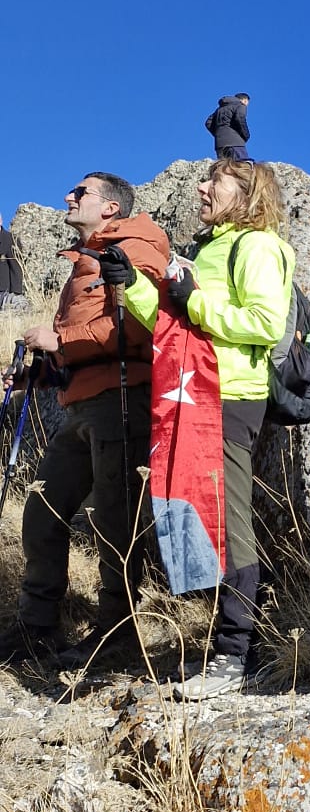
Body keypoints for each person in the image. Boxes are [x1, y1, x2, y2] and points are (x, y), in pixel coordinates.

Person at [112, 158, 294, 697]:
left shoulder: (257, 246)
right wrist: (133, 285)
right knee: (198, 519)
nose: (201, 187)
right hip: (193, 395)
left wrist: (196, 299)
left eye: (214, 181)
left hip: (229, 396)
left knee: (228, 525)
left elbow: (266, 323)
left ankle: (235, 656)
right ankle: (228, 646)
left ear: (247, 194)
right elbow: (175, 326)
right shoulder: (211, 248)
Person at [0, 174, 171, 672]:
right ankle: (37, 627)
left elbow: (140, 323)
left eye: (80, 193)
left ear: (111, 207)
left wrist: (61, 340)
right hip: (81, 401)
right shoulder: (85, 258)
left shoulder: (136, 248)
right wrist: (38, 372)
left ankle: (117, 633)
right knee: (43, 511)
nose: (69, 198)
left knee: (116, 520)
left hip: (123, 397)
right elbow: (83, 344)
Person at [205, 93, 252, 161]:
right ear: (245, 100)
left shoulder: (219, 109)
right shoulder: (240, 105)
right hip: (235, 143)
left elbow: (208, 123)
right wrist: (246, 135)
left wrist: (218, 134)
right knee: (243, 165)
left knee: (224, 167)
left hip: (220, 145)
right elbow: (239, 118)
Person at [0, 215, 26, 309]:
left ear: (0, 221)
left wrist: (16, 293)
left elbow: (16, 267)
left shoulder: (10, 239)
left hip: (3, 291)